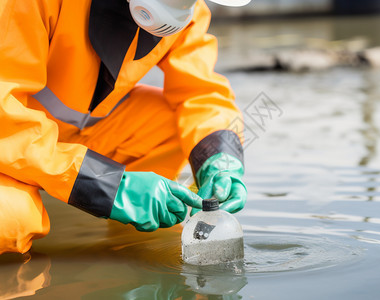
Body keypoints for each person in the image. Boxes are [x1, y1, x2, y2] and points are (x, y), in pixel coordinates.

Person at [0, 0, 250, 254]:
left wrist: (220, 157)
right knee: (10, 221)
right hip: (9, 140)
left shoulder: (188, 11)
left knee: (173, 125)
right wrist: (107, 185)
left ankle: (130, 237)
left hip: (62, 137)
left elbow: (202, 93)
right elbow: (5, 120)